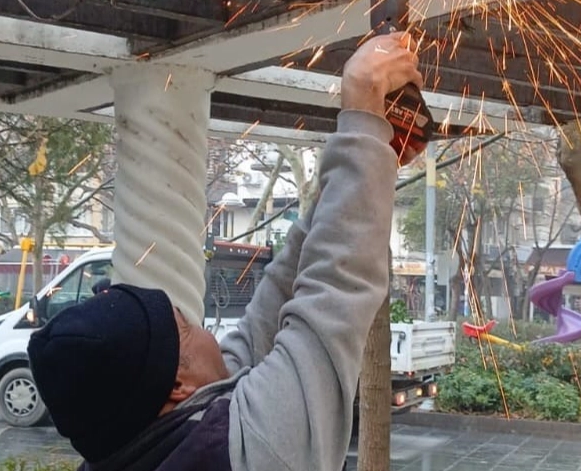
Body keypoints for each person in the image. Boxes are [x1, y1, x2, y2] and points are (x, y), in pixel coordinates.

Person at [27, 32, 423, 471]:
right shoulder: (244, 453)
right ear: (178, 385)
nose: (205, 332)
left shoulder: (138, 442)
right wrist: (362, 113)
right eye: (183, 328)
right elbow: (332, 295)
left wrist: (365, 163)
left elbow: (265, 327)